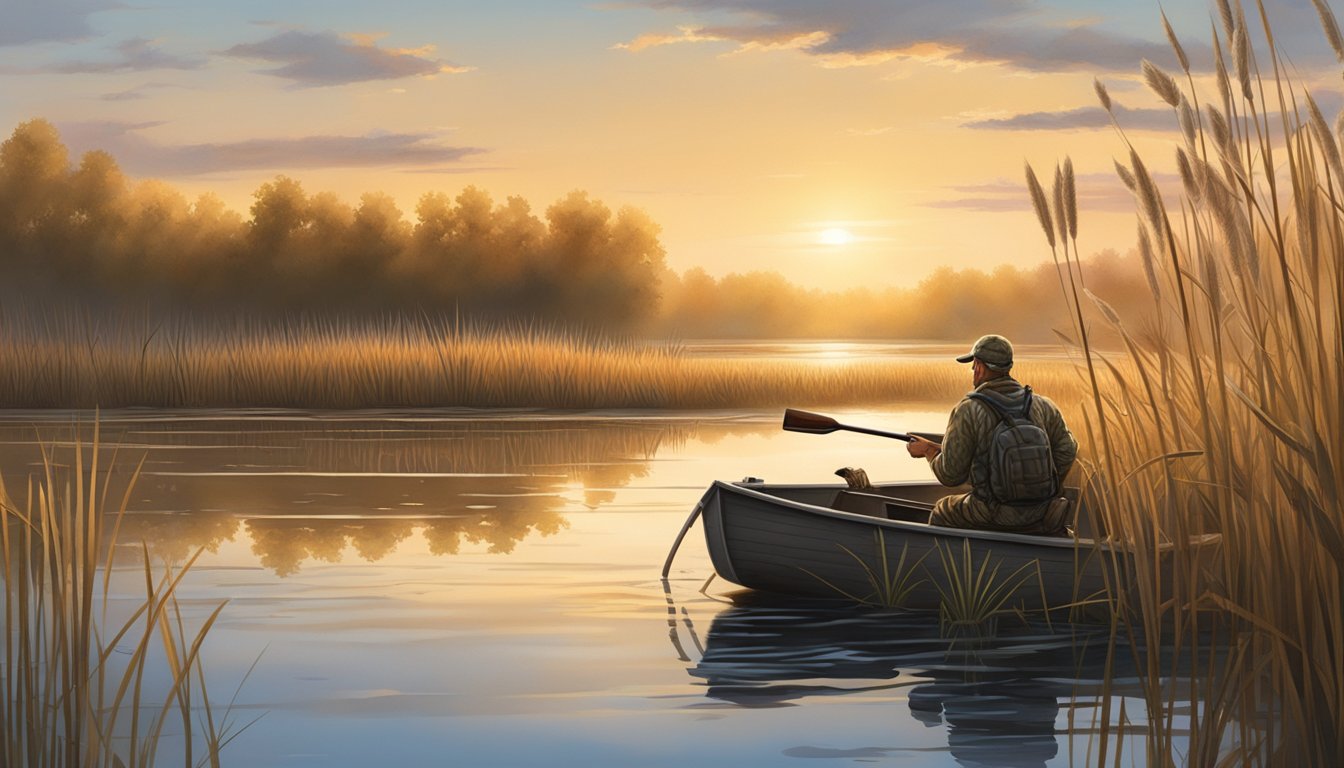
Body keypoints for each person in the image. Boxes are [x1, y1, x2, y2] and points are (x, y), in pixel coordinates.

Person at [906, 334, 1077, 535]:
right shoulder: (1043, 405)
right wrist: (1042, 485)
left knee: (943, 510)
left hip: (993, 512)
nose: (972, 370)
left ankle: (954, 565)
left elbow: (950, 475)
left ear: (979, 367)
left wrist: (927, 451)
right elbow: (1068, 449)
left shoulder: (968, 409)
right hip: (1042, 511)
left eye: (973, 365)